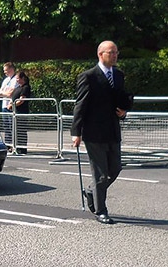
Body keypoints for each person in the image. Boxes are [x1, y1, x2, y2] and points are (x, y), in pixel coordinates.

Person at [71, 40, 132, 225]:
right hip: (94, 132)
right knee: (100, 174)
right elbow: (80, 105)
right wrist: (76, 131)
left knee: (115, 168)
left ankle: (91, 192)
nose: (114, 56)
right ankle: (101, 210)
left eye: (116, 52)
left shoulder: (119, 75)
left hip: (112, 130)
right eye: (111, 52)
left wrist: (124, 111)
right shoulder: (89, 76)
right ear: (100, 54)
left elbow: (119, 98)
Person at [8, 71, 31, 154]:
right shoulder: (18, 88)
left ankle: (22, 148)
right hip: (15, 112)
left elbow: (21, 100)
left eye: (18, 78)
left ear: (22, 78)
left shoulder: (25, 87)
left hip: (21, 111)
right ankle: (16, 147)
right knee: (15, 130)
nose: (17, 80)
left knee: (21, 130)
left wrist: (12, 105)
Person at [0, 62, 18, 148]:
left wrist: (2, 93)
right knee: (6, 126)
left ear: (11, 69)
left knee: (12, 125)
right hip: (4, 105)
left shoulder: (15, 79)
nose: (5, 72)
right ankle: (8, 145)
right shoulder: (5, 80)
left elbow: (10, 93)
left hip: (10, 105)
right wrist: (3, 93)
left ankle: (14, 144)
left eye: (6, 70)